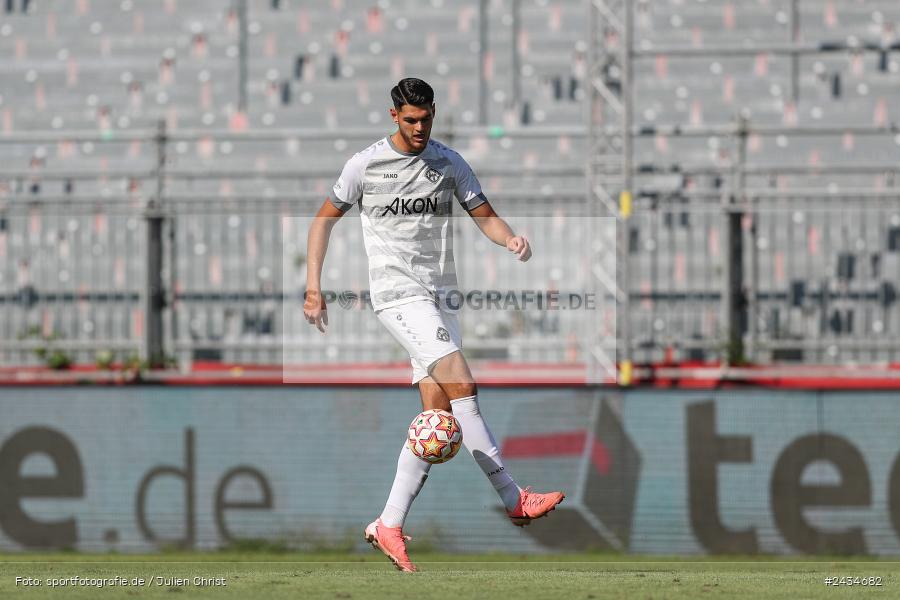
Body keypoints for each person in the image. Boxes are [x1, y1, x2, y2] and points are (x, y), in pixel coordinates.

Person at [304, 78, 564, 572]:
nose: (420, 128)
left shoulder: (449, 162)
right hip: (398, 294)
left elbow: (485, 216)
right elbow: (323, 221)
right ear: (393, 116)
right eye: (410, 120)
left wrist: (509, 239)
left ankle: (388, 524)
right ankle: (513, 498)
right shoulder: (365, 165)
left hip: (441, 296)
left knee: (437, 418)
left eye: (427, 119)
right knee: (462, 382)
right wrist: (313, 286)